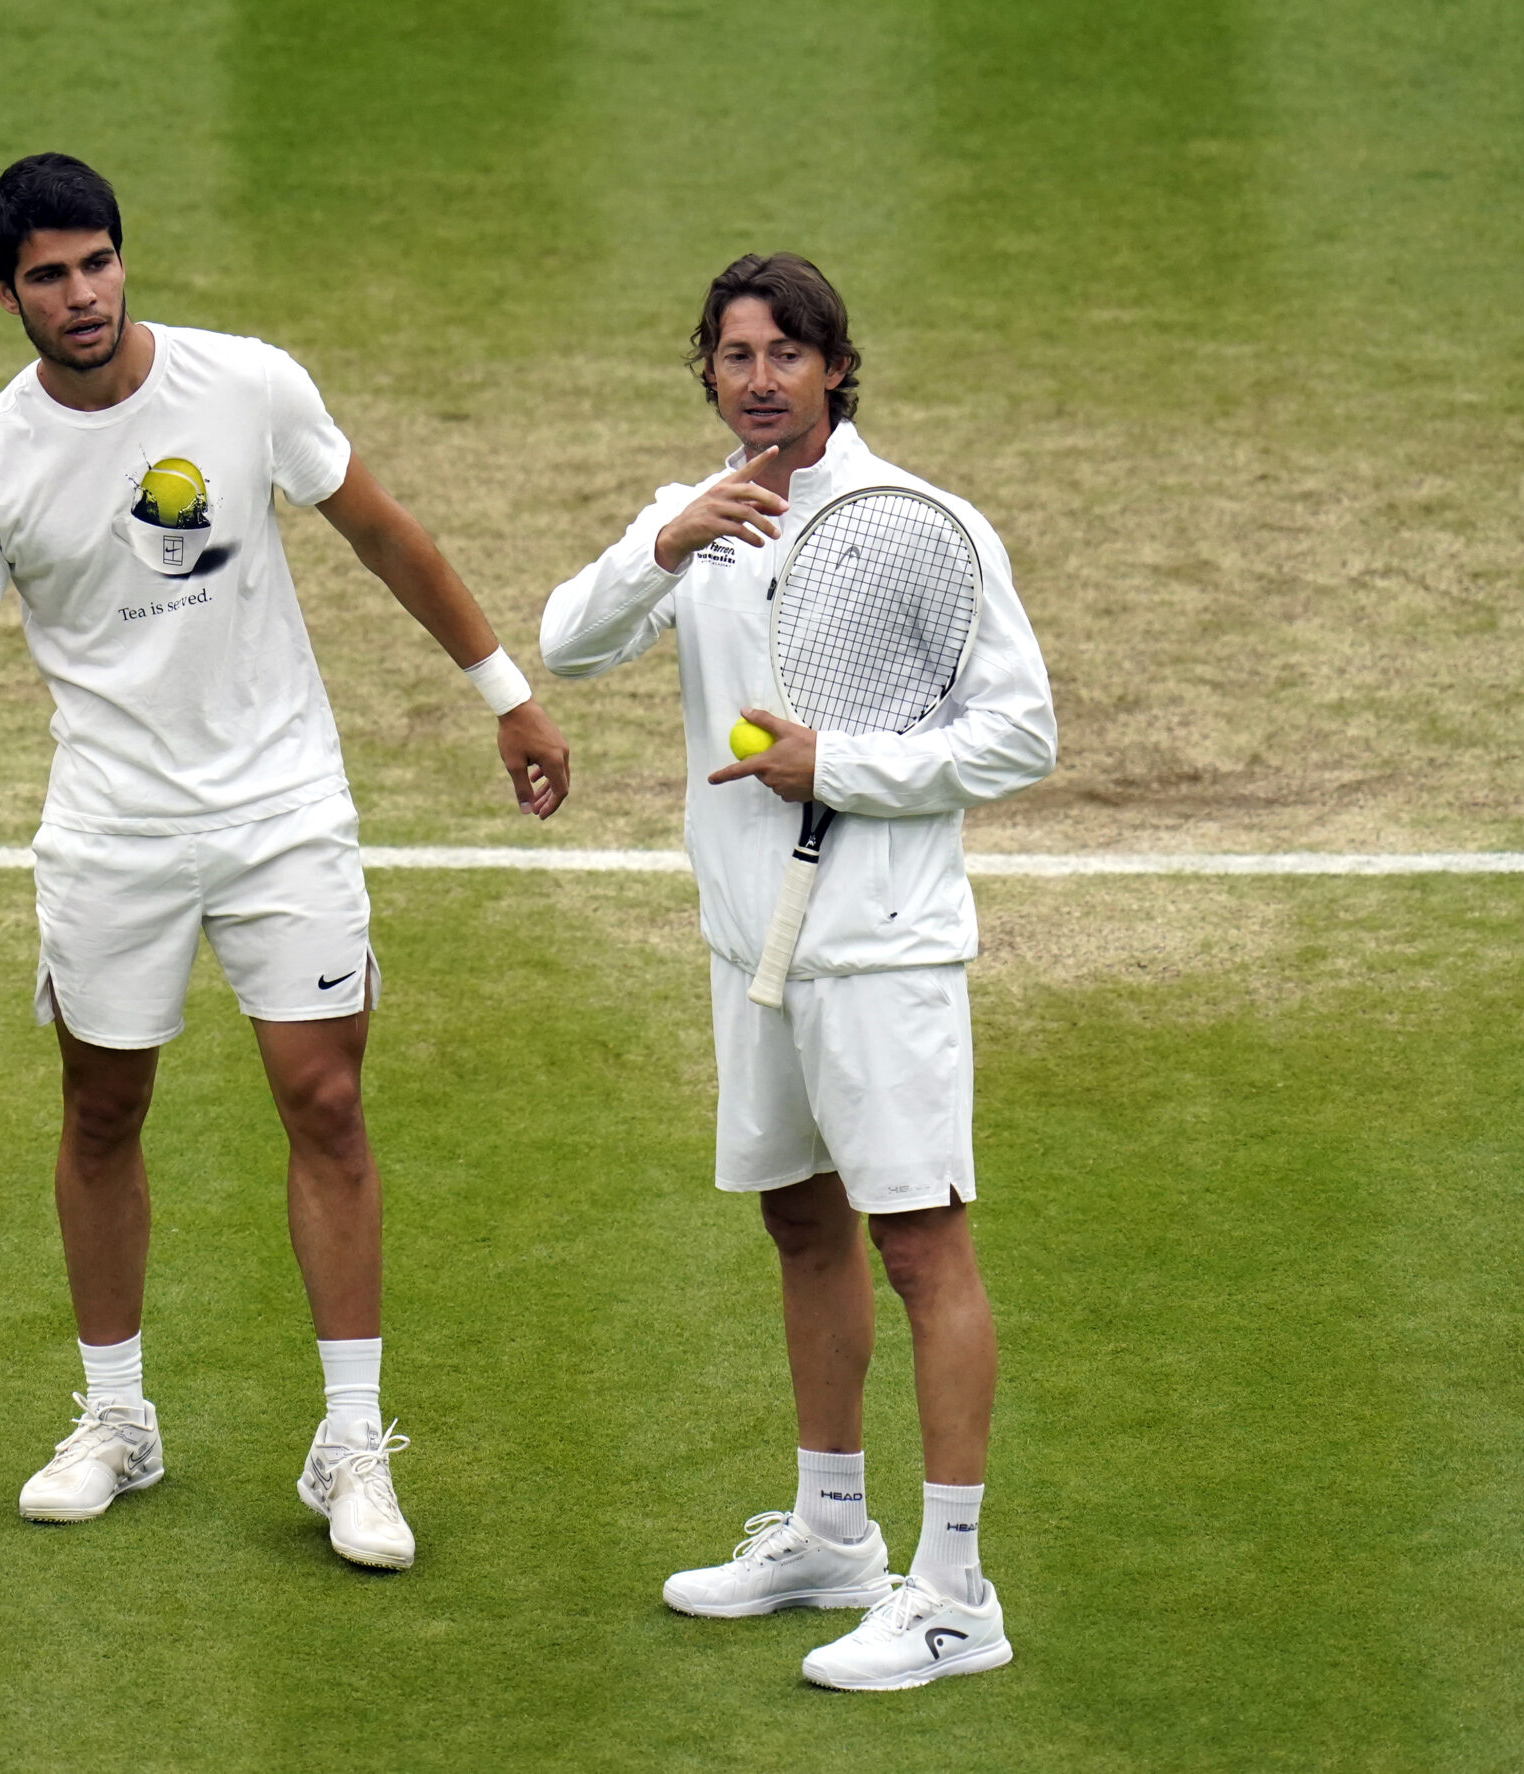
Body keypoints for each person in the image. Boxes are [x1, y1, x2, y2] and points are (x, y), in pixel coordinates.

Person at [0, 153, 569, 1569]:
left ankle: (351, 1444)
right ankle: (118, 1416)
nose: (81, 297)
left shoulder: (250, 385)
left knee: (323, 1099)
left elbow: (382, 532)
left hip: (283, 813)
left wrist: (505, 691)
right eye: (48, 277)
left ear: (125, 260)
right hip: (111, 833)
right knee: (101, 1112)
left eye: (98, 264)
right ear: (4, 292)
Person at [538, 253, 1053, 1688]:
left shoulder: (920, 524)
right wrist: (665, 542)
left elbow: (1021, 733)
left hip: (880, 950)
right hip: (746, 944)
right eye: (733, 354)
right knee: (799, 1223)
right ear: (706, 370)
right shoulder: (689, 518)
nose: (758, 377)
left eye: (786, 354)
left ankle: (954, 1592)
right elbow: (566, 647)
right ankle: (834, 1532)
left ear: (835, 367)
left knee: (919, 1244)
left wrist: (846, 766)